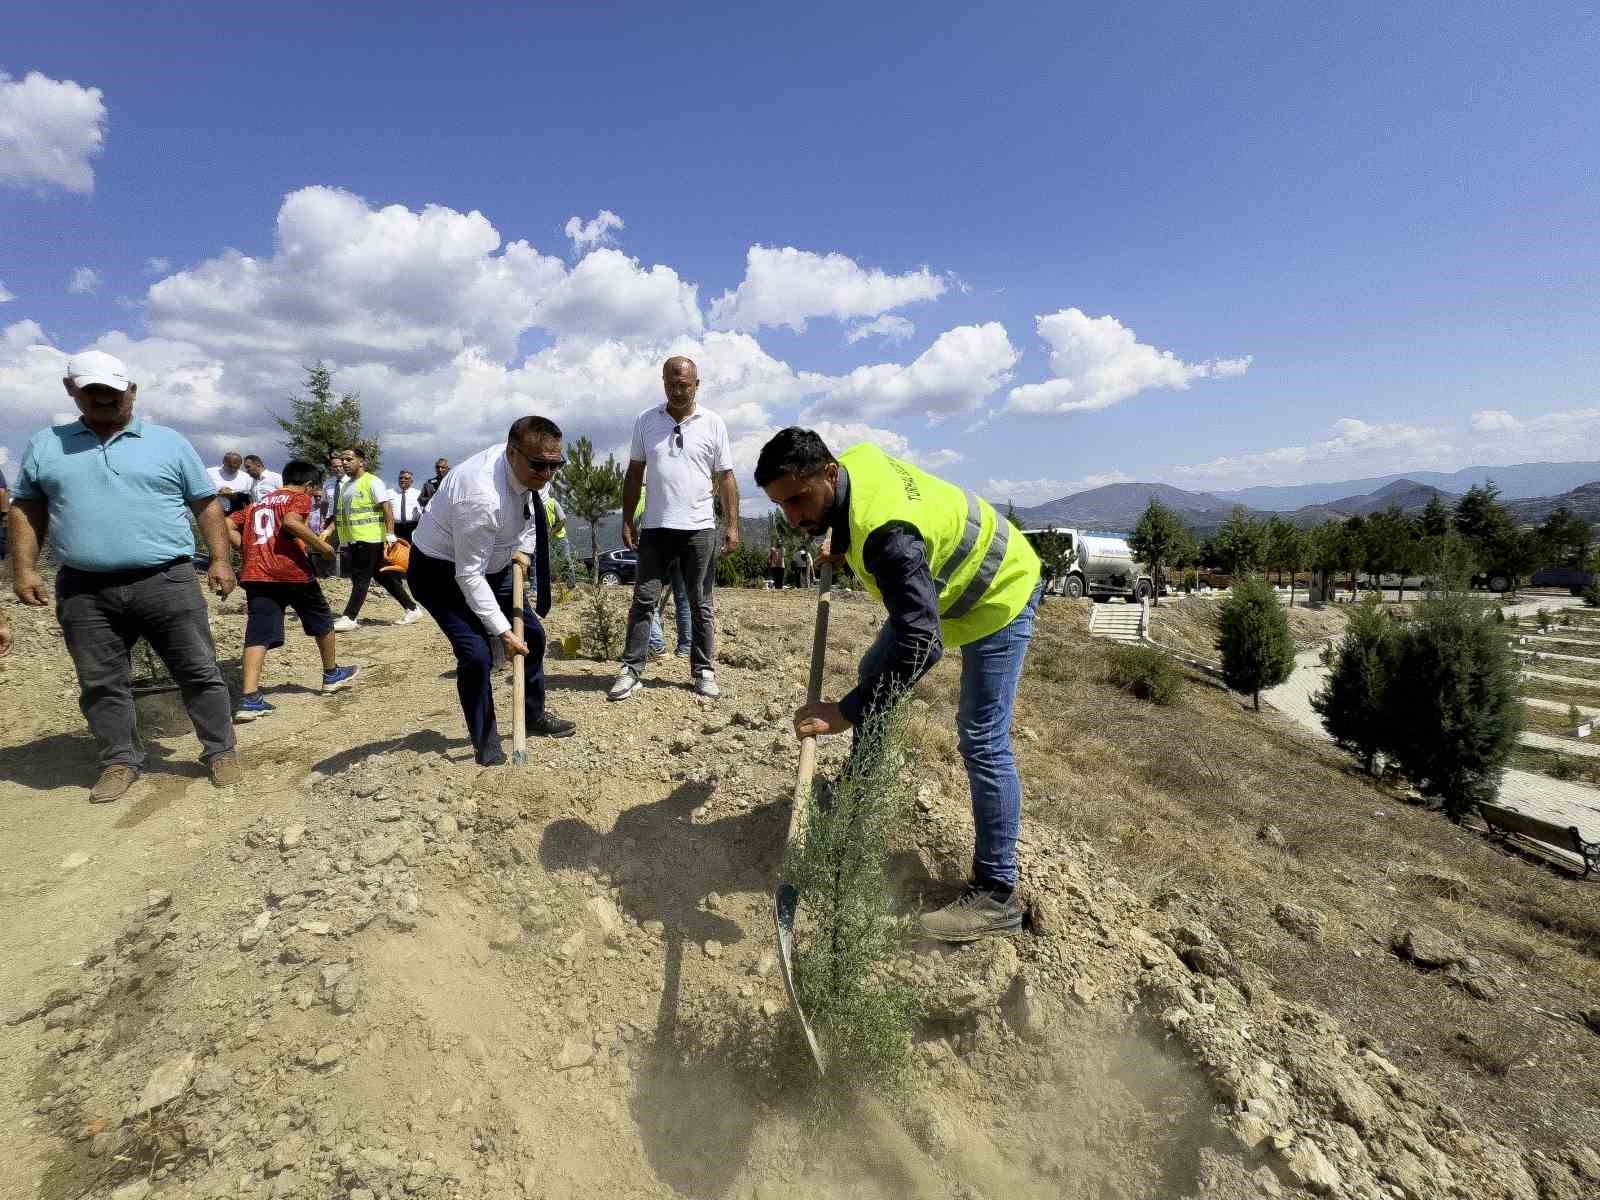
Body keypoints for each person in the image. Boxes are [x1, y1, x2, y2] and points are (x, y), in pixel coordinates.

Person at [755, 428, 1042, 942]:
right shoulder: (854, 465)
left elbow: (920, 644)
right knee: (874, 672)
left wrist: (844, 712)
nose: (793, 517)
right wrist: (840, 543)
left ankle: (999, 896)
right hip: (949, 591)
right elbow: (857, 511)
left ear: (828, 473)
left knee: (981, 738)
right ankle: (856, 806)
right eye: (782, 506)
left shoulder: (888, 536)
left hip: (999, 592)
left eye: (798, 500)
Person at [8, 350, 243, 802]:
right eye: (92, 392)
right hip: (84, 587)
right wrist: (24, 569)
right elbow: (27, 507)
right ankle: (119, 760)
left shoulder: (169, 442)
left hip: (167, 579)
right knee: (100, 681)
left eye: (114, 393)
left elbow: (206, 504)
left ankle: (220, 750)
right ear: (71, 390)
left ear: (131, 391)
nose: (105, 400)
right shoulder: (46, 445)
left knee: (198, 669)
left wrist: (219, 559)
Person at [407, 417, 576, 765]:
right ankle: (487, 743)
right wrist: (500, 630)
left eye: (554, 465)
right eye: (540, 465)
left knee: (533, 635)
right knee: (476, 655)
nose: (547, 474)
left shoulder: (535, 470)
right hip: (440, 571)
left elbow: (534, 512)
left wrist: (524, 550)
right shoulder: (480, 495)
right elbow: (468, 576)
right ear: (512, 453)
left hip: (497, 562)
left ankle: (533, 715)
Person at [609, 356, 738, 702]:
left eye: (685, 384)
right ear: (663, 382)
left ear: (697, 384)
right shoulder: (646, 421)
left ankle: (704, 670)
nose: (678, 391)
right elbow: (634, 473)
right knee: (644, 600)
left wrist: (733, 524)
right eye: (671, 384)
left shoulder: (713, 423)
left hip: (699, 529)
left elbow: (725, 477)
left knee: (701, 603)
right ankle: (631, 669)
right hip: (655, 528)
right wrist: (627, 520)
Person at [227, 460, 360, 720]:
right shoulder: (297, 498)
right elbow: (290, 522)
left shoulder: (257, 505)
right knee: (321, 618)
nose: (312, 496)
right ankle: (331, 674)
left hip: (256, 574)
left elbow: (227, 524)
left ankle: (250, 698)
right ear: (308, 485)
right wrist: (323, 548)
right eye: (313, 490)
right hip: (292, 571)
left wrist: (244, 548)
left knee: (258, 632)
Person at [331, 446, 422, 630]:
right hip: (354, 539)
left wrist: (389, 534)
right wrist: (341, 538)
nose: (344, 463)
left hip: (371, 538)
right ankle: (412, 609)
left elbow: (386, 508)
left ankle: (350, 617)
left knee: (360, 576)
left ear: (361, 462)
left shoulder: (372, 482)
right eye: (343, 460)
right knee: (382, 576)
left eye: (349, 459)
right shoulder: (347, 486)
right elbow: (345, 515)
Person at [318, 452, 347, 580]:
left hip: (347, 518)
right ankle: (331, 574)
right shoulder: (328, 483)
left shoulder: (352, 482)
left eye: (340, 466)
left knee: (348, 547)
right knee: (329, 546)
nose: (338, 468)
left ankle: (348, 574)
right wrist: (322, 519)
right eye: (335, 466)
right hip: (331, 518)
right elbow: (324, 502)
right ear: (331, 468)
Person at [209, 449, 250, 515]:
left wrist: (233, 495)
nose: (233, 469)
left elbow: (249, 497)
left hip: (236, 513)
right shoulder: (210, 473)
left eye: (236, 467)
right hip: (214, 512)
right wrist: (219, 492)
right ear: (224, 462)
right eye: (230, 466)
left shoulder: (246, 477)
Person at [392, 469, 423, 544]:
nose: (403, 480)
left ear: (411, 481)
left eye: (406, 478)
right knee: (396, 553)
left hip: (412, 528)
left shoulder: (418, 494)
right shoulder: (389, 493)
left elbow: (423, 512)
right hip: (395, 527)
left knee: (411, 552)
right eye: (401, 478)